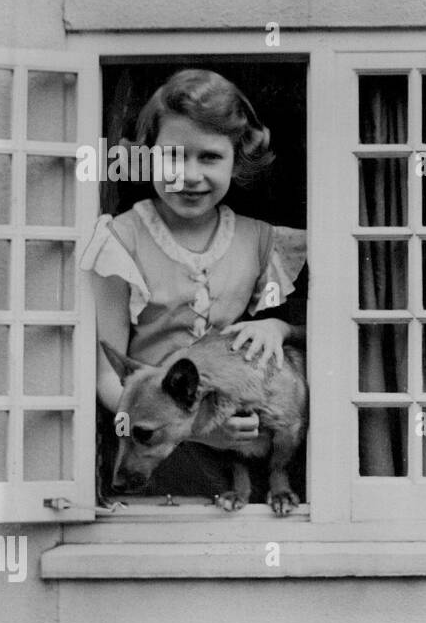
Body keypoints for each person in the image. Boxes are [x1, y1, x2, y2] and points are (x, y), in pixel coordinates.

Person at [80, 69, 307, 500]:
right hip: (150, 453)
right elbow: (107, 378)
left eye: (209, 157)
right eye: (173, 157)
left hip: (239, 451)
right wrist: (201, 433)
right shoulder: (120, 240)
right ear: (147, 156)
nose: (189, 175)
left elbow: (317, 335)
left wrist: (278, 328)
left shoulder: (260, 241)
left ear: (237, 159)